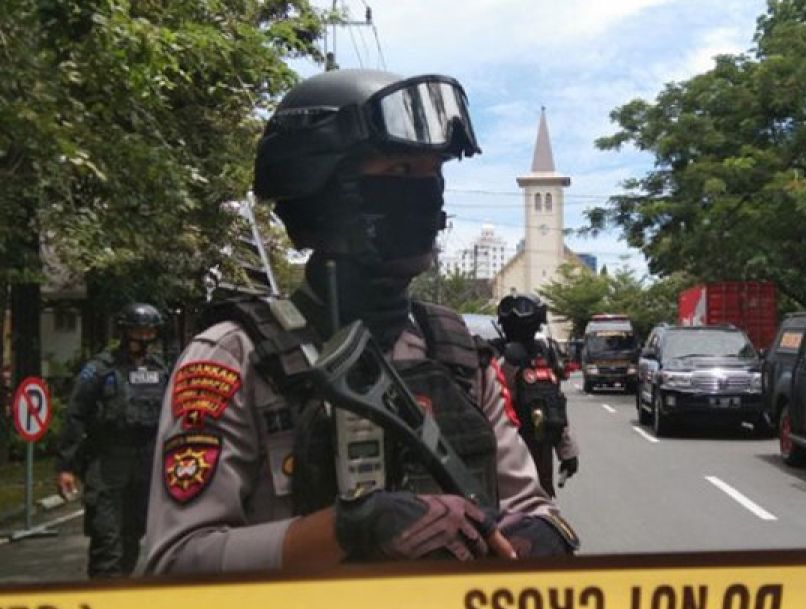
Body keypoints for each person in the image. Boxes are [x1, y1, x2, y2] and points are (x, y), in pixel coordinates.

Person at [143, 69, 578, 574]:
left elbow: (530, 505)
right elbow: (175, 564)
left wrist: (539, 536)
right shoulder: (236, 358)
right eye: (398, 172)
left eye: (431, 175)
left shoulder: (457, 351)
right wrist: (345, 531)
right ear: (322, 190)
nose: (426, 196)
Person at [57, 303, 168, 577]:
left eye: (150, 330)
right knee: (107, 540)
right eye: (139, 330)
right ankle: (103, 601)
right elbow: (75, 415)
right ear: (126, 331)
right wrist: (66, 467)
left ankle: (120, 594)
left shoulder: (160, 369)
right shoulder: (99, 369)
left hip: (145, 462)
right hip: (107, 462)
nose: (145, 336)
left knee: (133, 535)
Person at [495, 293, 579, 496]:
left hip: (540, 454)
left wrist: (567, 451)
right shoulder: (492, 355)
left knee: (541, 510)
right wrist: (507, 363)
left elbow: (555, 405)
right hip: (502, 456)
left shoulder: (545, 353)